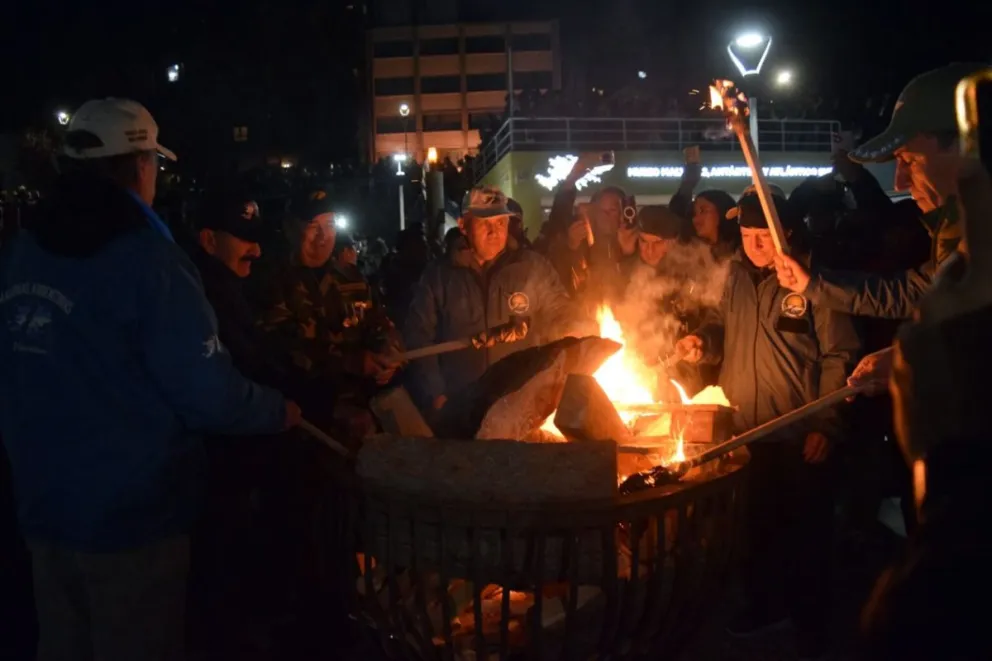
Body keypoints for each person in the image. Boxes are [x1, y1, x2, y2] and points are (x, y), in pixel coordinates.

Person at [0, 98, 299, 661]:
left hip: (42, 510)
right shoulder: (148, 261)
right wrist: (273, 410)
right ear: (139, 164)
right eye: (153, 166)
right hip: (131, 520)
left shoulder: (23, 250)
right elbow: (207, 392)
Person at [676, 191, 860, 658]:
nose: (755, 245)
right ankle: (764, 606)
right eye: (747, 235)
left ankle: (812, 623)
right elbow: (723, 327)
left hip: (799, 432)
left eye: (764, 236)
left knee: (806, 534)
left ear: (787, 232)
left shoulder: (811, 281)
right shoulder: (736, 274)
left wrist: (827, 423)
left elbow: (840, 355)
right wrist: (704, 341)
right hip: (746, 432)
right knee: (756, 529)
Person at [773, 63, 986, 390]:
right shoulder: (963, 233)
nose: (899, 182)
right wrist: (812, 284)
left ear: (968, 146)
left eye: (910, 161)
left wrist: (921, 358)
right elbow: (921, 292)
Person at [404, 185, 580, 413]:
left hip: (521, 401)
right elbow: (419, 337)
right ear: (463, 225)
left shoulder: (532, 267)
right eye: (484, 223)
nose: (494, 231)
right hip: (462, 405)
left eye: (500, 223)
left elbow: (561, 314)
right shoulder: (439, 276)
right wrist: (436, 395)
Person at [253, 190, 400, 397]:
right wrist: (348, 362)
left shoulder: (351, 278)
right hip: (305, 413)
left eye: (330, 225)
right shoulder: (272, 281)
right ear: (290, 229)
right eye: (313, 227)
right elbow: (279, 352)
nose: (323, 237)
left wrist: (389, 351)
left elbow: (381, 325)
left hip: (363, 406)